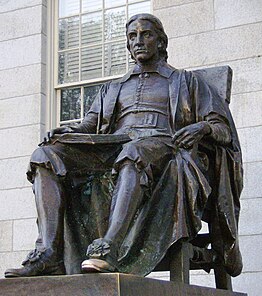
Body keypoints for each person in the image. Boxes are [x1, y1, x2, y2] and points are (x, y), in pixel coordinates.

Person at [5, 13, 243, 278]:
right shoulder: (113, 87)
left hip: (163, 145)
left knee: (134, 152)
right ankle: (49, 253)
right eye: (132, 36)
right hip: (113, 145)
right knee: (46, 155)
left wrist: (202, 127)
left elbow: (223, 130)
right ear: (128, 45)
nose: (138, 41)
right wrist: (68, 132)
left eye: (146, 35)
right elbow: (90, 125)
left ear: (161, 42)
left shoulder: (186, 81)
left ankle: (109, 247)